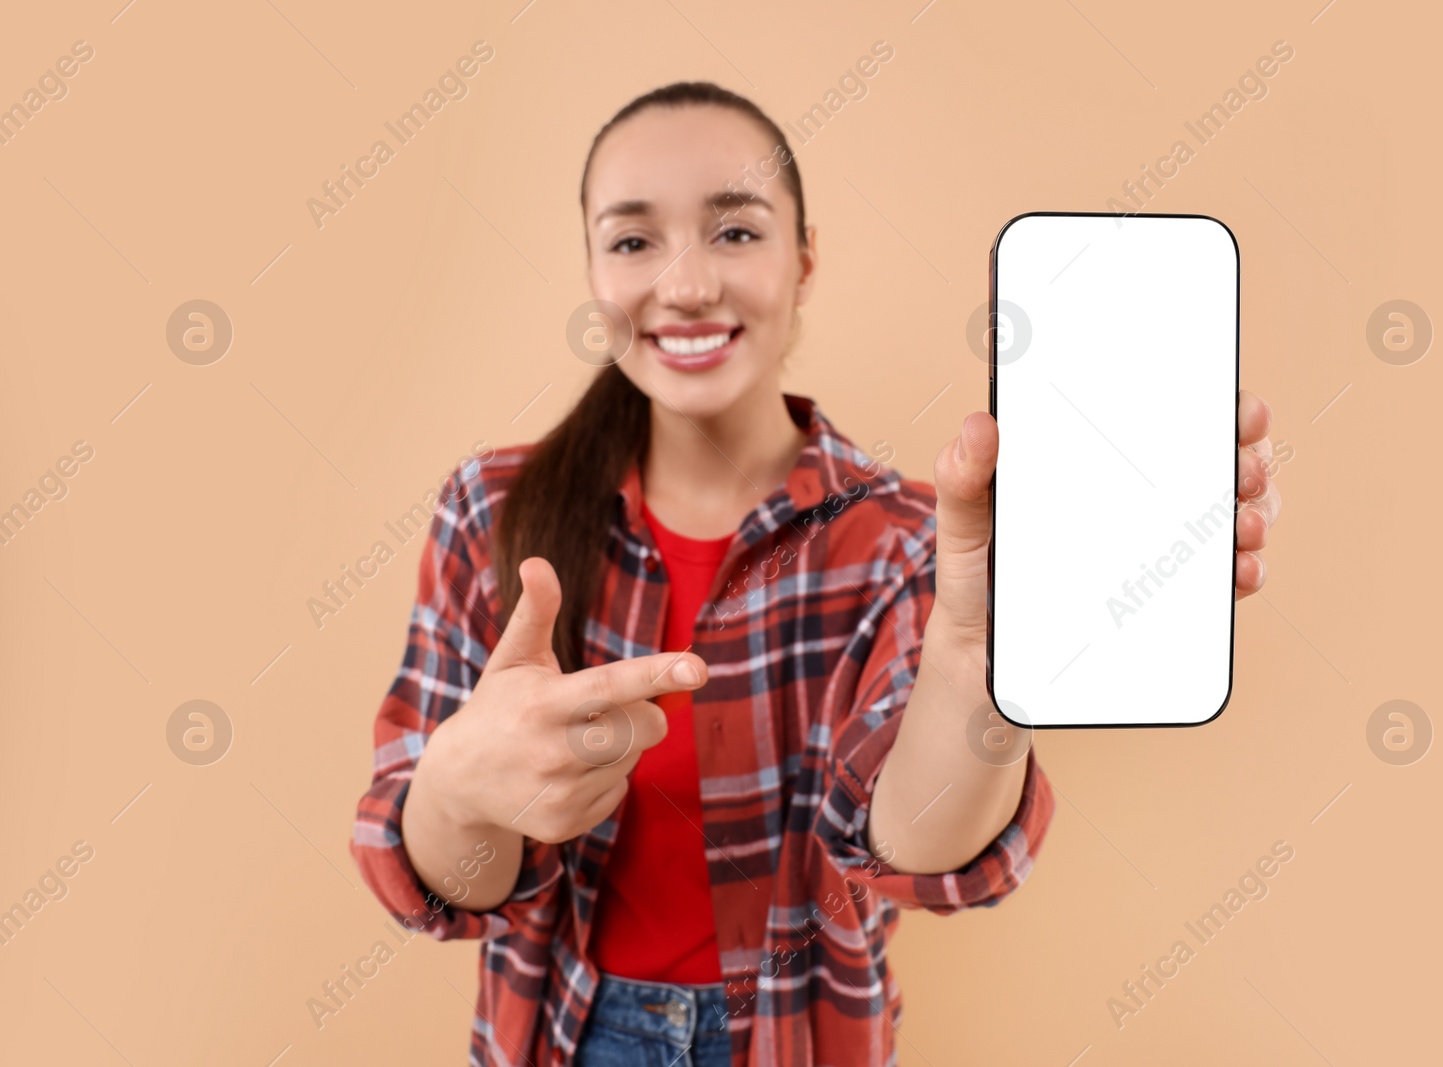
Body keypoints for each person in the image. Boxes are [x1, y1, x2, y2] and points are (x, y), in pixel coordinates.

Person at [350, 81, 1280, 1067]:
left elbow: (923, 854)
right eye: (632, 240)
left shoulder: (905, 536)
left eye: (735, 232)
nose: (688, 284)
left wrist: (976, 662)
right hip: (564, 1036)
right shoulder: (490, 509)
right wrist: (455, 784)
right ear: (591, 271)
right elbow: (446, 888)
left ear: (803, 260)